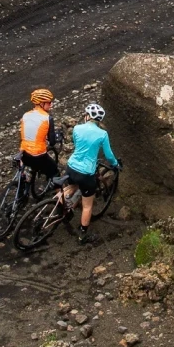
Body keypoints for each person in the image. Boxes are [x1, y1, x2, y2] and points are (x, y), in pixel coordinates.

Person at [65, 102, 120, 244]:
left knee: (70, 187)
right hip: (86, 172)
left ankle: (60, 207)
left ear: (88, 116)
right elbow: (109, 155)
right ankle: (82, 235)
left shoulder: (77, 128)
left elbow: (77, 146)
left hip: (71, 166)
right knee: (87, 205)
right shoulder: (102, 134)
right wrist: (115, 165)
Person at [19, 89, 61, 190]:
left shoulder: (26, 115)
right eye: (49, 102)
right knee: (55, 171)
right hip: (37, 155)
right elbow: (52, 141)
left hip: (23, 152)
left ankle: (21, 188)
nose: (51, 105)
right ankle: (59, 198)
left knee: (25, 167)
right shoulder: (47, 118)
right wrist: (56, 137)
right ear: (41, 103)